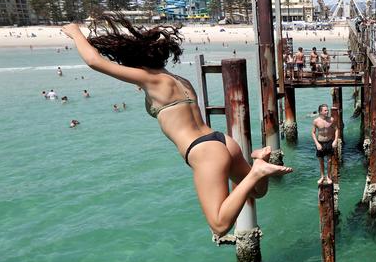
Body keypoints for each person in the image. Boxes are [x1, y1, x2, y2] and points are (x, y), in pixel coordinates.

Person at [62, 16, 292, 238]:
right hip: (222, 140)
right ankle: (259, 163)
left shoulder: (150, 80)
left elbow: (95, 62)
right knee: (257, 192)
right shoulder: (181, 80)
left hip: (204, 151)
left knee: (219, 225)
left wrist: (75, 33)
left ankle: (258, 171)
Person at [311, 104, 339, 184]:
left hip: (329, 142)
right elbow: (313, 133)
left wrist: (335, 140)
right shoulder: (316, 121)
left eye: (327, 110)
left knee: (329, 161)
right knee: (321, 161)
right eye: (325, 110)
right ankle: (322, 176)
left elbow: (336, 129)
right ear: (320, 111)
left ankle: (328, 177)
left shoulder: (331, 119)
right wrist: (317, 144)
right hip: (320, 142)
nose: (327, 111)